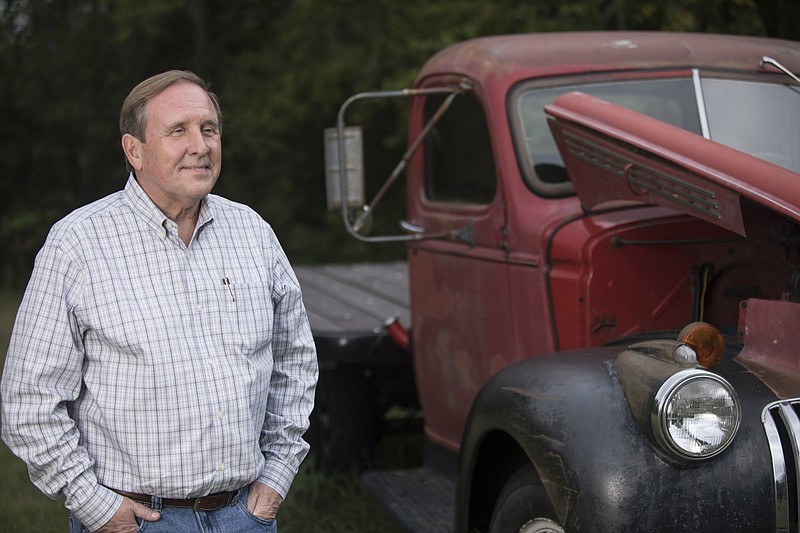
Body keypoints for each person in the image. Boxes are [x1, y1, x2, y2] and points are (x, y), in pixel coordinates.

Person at [1, 70, 318, 533]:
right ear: (134, 150)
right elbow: (28, 400)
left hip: (245, 515)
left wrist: (275, 478)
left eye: (209, 129)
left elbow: (295, 360)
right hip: (137, 521)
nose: (201, 145)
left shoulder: (252, 232)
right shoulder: (78, 244)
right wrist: (94, 506)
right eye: (178, 131)